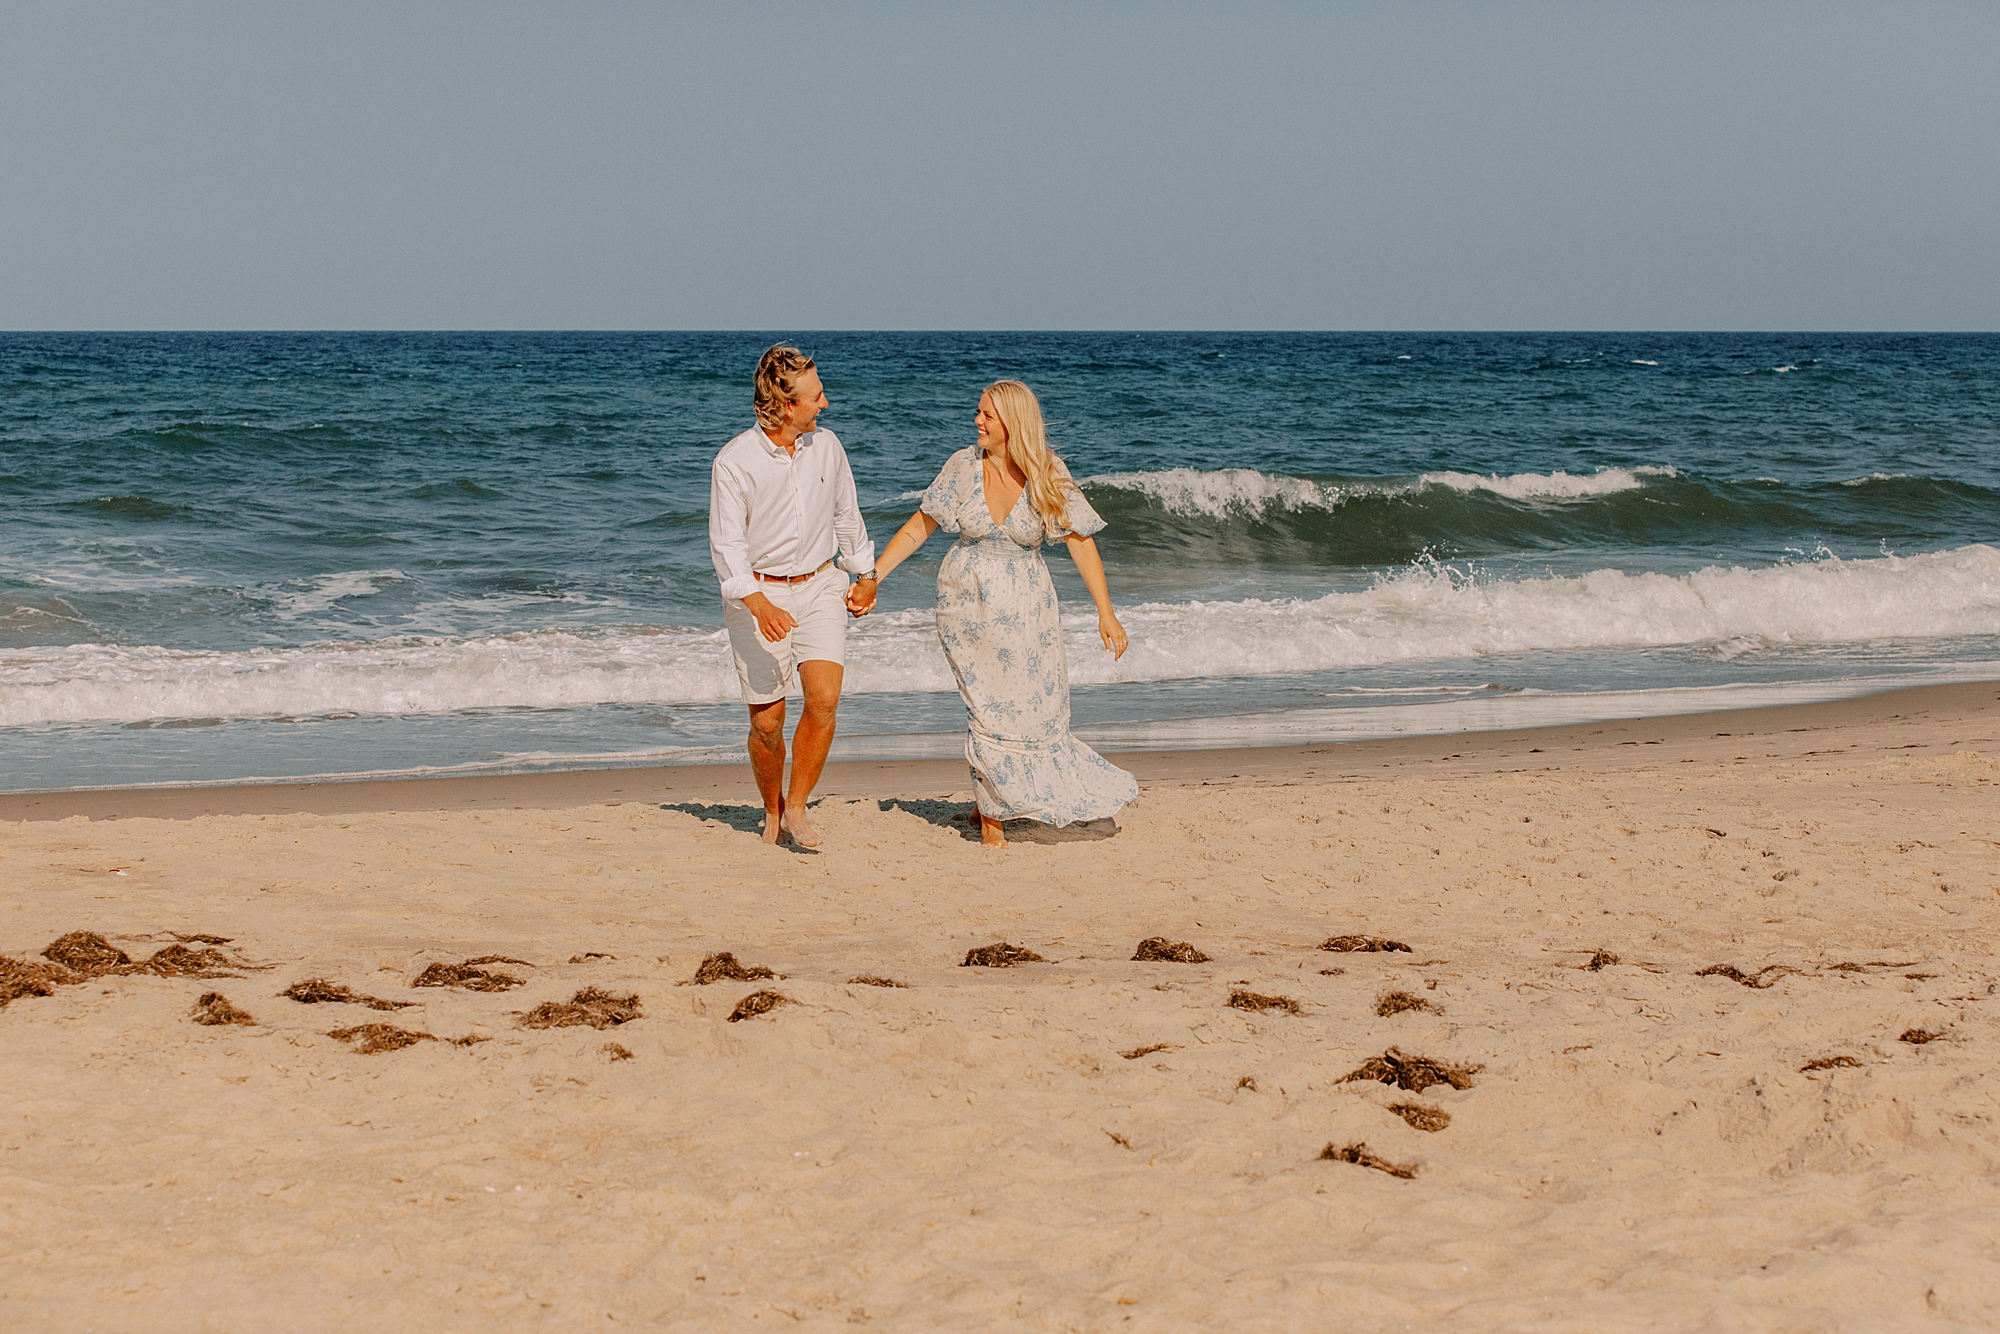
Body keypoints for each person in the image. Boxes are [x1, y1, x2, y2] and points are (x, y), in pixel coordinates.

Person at [848, 379, 1136, 847]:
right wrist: (872, 577)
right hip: (967, 603)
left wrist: (1108, 613)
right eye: (978, 412)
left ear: (1012, 423)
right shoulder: (962, 468)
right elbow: (917, 530)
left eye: (987, 415)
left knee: (1035, 711)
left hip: (1030, 610)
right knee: (987, 709)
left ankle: (1000, 798)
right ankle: (993, 821)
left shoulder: (1047, 471)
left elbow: (1082, 544)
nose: (977, 421)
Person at [709, 344, 875, 847]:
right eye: (817, 396)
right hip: (758, 595)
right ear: (787, 406)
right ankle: (772, 810)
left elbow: (846, 515)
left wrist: (864, 573)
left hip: (821, 584)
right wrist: (757, 604)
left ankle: (798, 807)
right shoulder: (734, 462)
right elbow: (727, 546)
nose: (825, 404)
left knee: (824, 699)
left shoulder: (828, 447)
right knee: (768, 722)